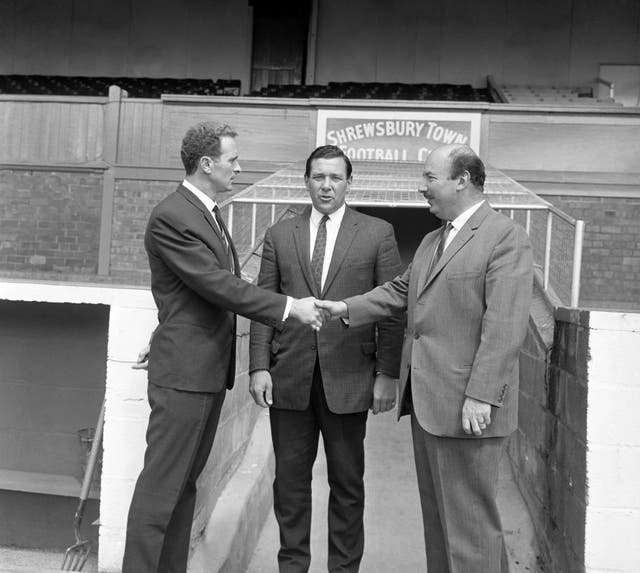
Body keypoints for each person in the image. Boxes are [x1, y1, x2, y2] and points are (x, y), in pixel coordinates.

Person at [317, 144, 533, 573]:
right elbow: (399, 291)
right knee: (441, 525)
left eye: (430, 178)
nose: (422, 187)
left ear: (463, 180)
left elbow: (505, 325)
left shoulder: (505, 237)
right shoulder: (436, 239)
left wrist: (482, 395)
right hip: (429, 405)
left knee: (471, 531)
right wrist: (345, 308)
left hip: (469, 407)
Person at [122, 121, 325, 573]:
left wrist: (165, 332)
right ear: (206, 163)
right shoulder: (174, 215)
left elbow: (199, 290)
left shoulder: (206, 211)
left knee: (183, 489)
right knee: (161, 492)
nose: (240, 167)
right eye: (233, 159)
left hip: (201, 371)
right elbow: (217, 286)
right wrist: (290, 307)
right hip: (184, 374)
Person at [249, 145, 405, 573]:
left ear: (349, 183)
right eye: (318, 177)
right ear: (306, 181)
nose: (326, 185)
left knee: (348, 485)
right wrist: (259, 365)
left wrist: (387, 374)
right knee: (291, 486)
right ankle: (292, 566)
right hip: (289, 378)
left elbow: (391, 309)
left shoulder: (377, 233)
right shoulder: (281, 234)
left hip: (350, 378)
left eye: (335, 177)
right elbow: (265, 303)